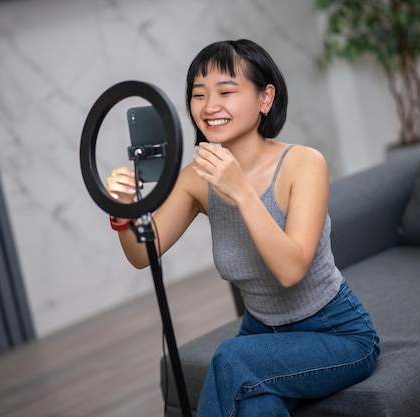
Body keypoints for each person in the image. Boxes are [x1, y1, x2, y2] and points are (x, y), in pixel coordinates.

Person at [106, 39, 379, 417]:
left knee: (232, 359)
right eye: (198, 94)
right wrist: (123, 211)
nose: (209, 106)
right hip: (260, 334)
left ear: (265, 98)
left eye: (226, 91)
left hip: (334, 334)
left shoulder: (303, 164)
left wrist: (241, 191)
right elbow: (141, 255)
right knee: (255, 405)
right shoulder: (197, 179)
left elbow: (291, 270)